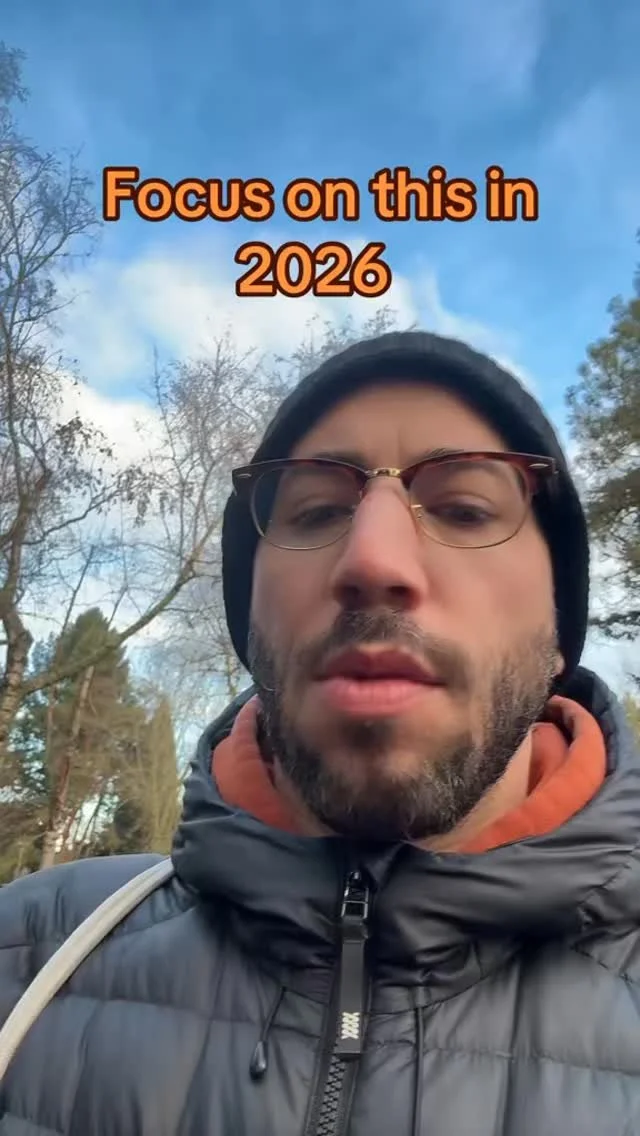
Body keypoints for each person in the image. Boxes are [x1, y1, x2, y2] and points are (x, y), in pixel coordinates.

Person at [0, 329, 638, 1136]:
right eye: (318, 510)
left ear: (558, 628)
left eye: (465, 508)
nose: (373, 560)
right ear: (252, 619)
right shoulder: (23, 961)